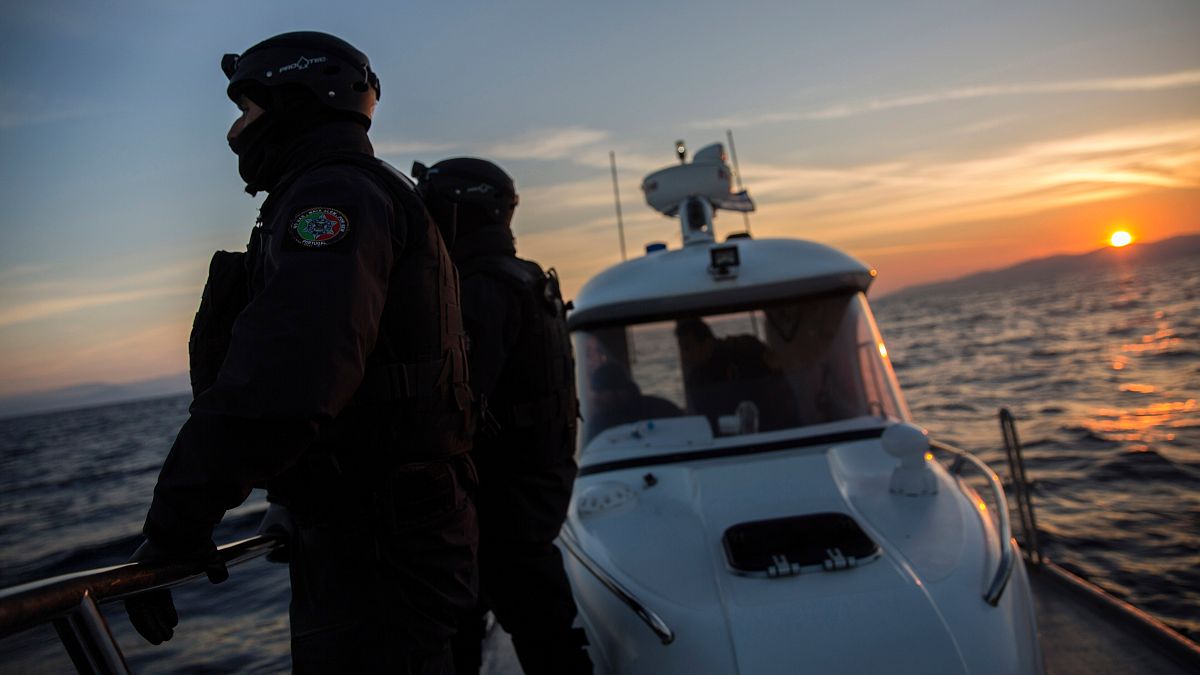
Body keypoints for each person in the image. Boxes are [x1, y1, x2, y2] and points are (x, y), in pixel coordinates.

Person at [123, 32, 478, 673]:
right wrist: (289, 499)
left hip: (376, 543)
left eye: (246, 110)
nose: (234, 132)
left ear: (295, 98)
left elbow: (286, 377)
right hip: (389, 528)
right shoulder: (363, 189)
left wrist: (175, 528)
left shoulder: (333, 198)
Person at [413, 157, 593, 674]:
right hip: (533, 493)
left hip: (500, 505)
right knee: (546, 632)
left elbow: (453, 403)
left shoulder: (478, 290)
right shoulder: (525, 278)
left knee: (473, 636)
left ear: (458, 213)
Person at [675, 317, 795, 432]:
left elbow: (779, 381)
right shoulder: (696, 381)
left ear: (707, 343)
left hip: (776, 427)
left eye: (687, 347)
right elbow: (711, 423)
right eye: (682, 348)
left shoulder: (746, 348)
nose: (684, 355)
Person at [584, 362, 683, 441]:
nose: (596, 399)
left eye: (600, 392)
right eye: (595, 393)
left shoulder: (661, 410)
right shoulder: (599, 423)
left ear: (619, 391)